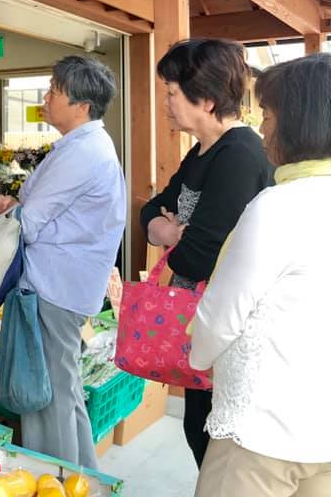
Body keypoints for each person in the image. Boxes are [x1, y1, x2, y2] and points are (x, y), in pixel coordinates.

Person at [191, 53, 331, 496]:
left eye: (268, 116)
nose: (263, 129)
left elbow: (220, 318)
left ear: (298, 124)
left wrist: (199, 357)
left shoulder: (279, 206)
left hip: (262, 434)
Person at [140, 38, 273, 468]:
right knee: (198, 431)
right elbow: (150, 209)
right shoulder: (201, 153)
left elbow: (198, 257)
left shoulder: (239, 155)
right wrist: (167, 229)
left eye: (172, 92)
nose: (166, 102)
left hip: (228, 338)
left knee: (216, 448)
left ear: (207, 100)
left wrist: (175, 236)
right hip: (199, 325)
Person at [0, 56, 125, 470]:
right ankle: (83, 479)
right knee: (64, 391)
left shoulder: (83, 152)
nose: (46, 98)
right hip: (66, 285)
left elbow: (30, 221)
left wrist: (10, 211)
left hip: (56, 288)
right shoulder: (84, 145)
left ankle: (55, 479)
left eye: (54, 90)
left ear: (81, 106)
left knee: (46, 397)